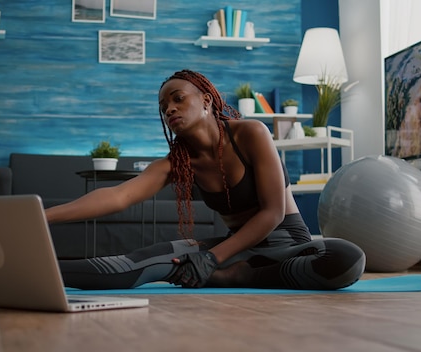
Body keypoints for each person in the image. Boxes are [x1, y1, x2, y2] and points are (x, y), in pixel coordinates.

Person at [45, 69, 366, 290]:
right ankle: (36, 273)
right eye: (163, 106)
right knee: (140, 261)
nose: (169, 109)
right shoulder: (177, 162)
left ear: (207, 100)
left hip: (286, 246)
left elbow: (273, 213)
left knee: (347, 259)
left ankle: (232, 277)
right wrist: (42, 217)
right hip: (234, 248)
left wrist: (211, 259)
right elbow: (118, 196)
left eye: (178, 98)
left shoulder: (251, 133)